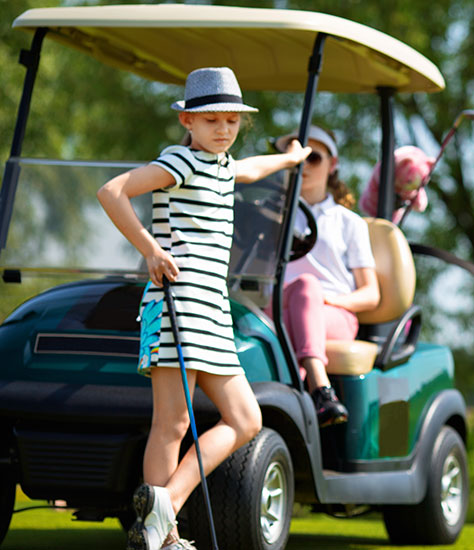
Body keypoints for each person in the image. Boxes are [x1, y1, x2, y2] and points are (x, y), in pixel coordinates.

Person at [98, 67, 311, 550]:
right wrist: (151, 249)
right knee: (172, 424)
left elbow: (251, 168)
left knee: (246, 420)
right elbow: (112, 191)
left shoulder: (223, 167)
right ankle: (164, 534)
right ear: (188, 122)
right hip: (177, 301)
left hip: (212, 311)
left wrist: (291, 158)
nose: (223, 129)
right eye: (211, 119)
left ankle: (162, 507)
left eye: (231, 121)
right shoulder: (181, 162)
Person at [272, 125, 380, 427]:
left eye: (314, 158)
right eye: (295, 156)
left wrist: (324, 298)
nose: (303, 164)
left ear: (332, 165)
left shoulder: (349, 223)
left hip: (332, 313)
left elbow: (371, 294)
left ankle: (318, 387)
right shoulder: (270, 215)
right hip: (279, 307)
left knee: (307, 287)